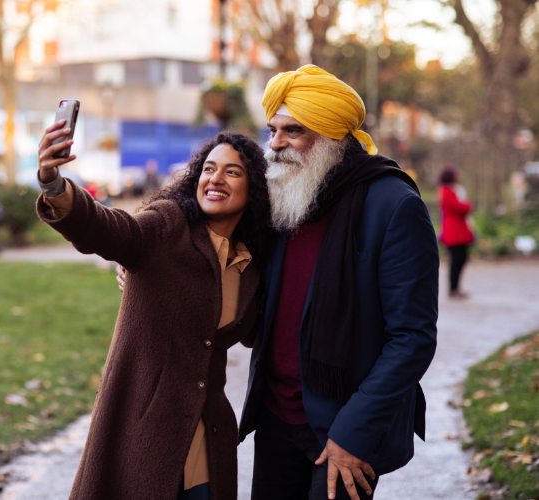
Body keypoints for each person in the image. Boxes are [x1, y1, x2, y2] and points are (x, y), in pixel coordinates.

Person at [116, 65, 439, 500]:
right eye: (273, 130)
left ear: (331, 135)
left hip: (344, 428)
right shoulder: (285, 196)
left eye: (293, 131)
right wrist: (151, 267)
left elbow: (412, 338)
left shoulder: (393, 206)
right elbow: (212, 236)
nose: (276, 144)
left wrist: (353, 433)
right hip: (275, 417)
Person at [36, 125, 271, 500]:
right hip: (144, 432)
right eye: (209, 168)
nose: (216, 178)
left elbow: (261, 331)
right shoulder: (168, 224)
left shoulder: (252, 263)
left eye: (232, 171)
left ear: (253, 188)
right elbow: (111, 230)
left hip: (207, 441)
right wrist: (54, 186)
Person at [438, 166, 474, 299]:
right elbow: (456, 207)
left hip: (458, 231)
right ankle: (453, 289)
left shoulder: (451, 190)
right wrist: (468, 205)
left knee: (461, 259)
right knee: (456, 260)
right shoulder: (446, 191)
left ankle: (456, 288)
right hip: (454, 232)